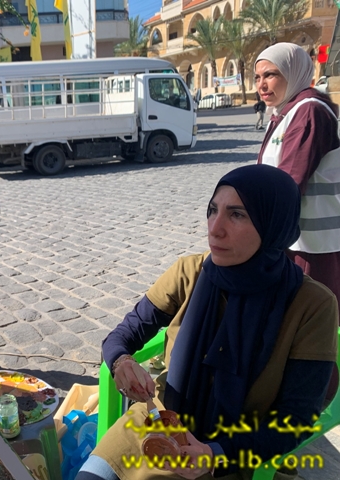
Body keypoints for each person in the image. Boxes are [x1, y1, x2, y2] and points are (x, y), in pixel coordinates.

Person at [77, 164, 338, 480]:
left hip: (234, 453)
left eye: (237, 214)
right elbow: (124, 334)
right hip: (157, 423)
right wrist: (121, 361)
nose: (215, 228)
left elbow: (296, 419)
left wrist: (215, 453)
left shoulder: (312, 305)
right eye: (213, 210)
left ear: (274, 224)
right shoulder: (190, 272)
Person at [255, 42, 340, 302]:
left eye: (270, 75)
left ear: (293, 72)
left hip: (311, 245)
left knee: (310, 313)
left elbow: (288, 181)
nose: (261, 85)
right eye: (257, 77)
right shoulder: (286, 112)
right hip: (293, 237)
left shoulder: (309, 111)